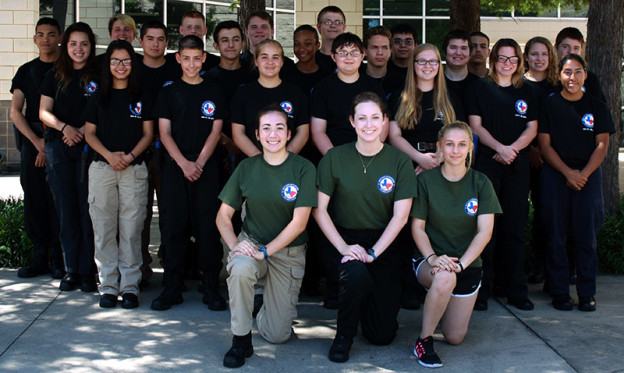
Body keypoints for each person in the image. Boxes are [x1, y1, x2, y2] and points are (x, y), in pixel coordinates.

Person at [314, 92, 417, 363]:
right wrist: (345, 247)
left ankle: (364, 304)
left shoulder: (399, 161)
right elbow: (320, 210)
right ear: (352, 121)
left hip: (384, 241)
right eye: (362, 118)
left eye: (375, 117)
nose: (368, 124)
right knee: (355, 272)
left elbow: (401, 217)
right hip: (343, 237)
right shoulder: (334, 158)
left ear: (385, 121)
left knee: (382, 335)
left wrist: (373, 252)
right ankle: (343, 336)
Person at [216, 104, 317, 368]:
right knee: (239, 268)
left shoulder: (304, 168)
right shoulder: (247, 167)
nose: (273, 134)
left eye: (280, 128)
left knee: (277, 335)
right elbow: (222, 217)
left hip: (288, 253)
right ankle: (241, 339)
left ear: (289, 133)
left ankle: (264, 306)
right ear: (257, 135)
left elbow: (299, 223)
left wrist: (265, 252)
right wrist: (237, 246)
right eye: (266, 128)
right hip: (253, 245)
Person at [411, 121, 500, 368]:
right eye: (449, 144)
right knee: (444, 279)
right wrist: (431, 258)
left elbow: (485, 231)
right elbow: (417, 228)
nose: (455, 150)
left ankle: (440, 303)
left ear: (471, 147)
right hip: (430, 262)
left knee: (454, 337)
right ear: (439, 146)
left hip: (466, 264)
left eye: (462, 144)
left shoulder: (481, 183)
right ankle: (423, 340)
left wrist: (461, 264)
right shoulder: (425, 181)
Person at [151, 35, 228, 311]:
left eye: (197, 58)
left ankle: (210, 285)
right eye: (187, 58)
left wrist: (200, 162)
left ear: (204, 58)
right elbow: (164, 133)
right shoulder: (169, 92)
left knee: (207, 226)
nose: (192, 64)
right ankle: (172, 284)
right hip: (175, 167)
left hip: (206, 168)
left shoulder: (215, 90)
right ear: (178, 59)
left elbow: (216, 130)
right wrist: (184, 164)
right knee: (174, 226)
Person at [388, 43, 461, 310]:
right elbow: (394, 136)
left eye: (433, 62)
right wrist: (418, 160)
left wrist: (439, 158)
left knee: (436, 226)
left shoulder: (450, 96)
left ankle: (437, 280)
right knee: (408, 228)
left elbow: (458, 134)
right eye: (422, 62)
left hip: (444, 169)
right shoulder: (400, 96)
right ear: (413, 65)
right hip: (411, 169)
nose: (427, 66)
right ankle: (409, 286)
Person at [538, 54, 614, 312]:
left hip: (588, 176)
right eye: (567, 72)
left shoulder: (597, 106)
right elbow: (545, 146)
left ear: (585, 74)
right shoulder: (549, 105)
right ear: (559, 75)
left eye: (578, 72)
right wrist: (568, 173)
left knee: (586, 237)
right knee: (556, 235)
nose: (573, 78)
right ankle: (560, 292)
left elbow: (602, 146)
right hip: (556, 174)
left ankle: (586, 293)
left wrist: (583, 174)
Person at [467, 38, 538, 311]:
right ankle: (482, 291)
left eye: (513, 59)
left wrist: (512, 151)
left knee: (515, 229)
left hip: (516, 167)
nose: (507, 64)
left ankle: (515, 290)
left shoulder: (527, 91)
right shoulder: (480, 88)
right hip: (487, 165)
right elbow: (475, 126)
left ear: (519, 63)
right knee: (486, 230)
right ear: (493, 59)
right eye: (502, 58)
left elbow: (532, 128)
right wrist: (499, 148)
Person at [83, 40, 153, 309]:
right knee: (103, 227)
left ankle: (130, 286)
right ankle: (109, 286)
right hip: (102, 168)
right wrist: (111, 156)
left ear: (132, 64)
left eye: (126, 61)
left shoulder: (141, 96)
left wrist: (130, 157)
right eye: (115, 61)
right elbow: (89, 133)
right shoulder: (99, 96)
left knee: (132, 228)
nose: (121, 66)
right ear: (107, 64)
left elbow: (148, 134)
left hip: (133, 169)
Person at [39, 22, 99, 292]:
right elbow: (44, 112)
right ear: (66, 46)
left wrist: (83, 131)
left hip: (89, 148)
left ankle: (88, 271)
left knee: (88, 211)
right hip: (59, 147)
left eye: (84, 44)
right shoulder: (54, 75)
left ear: (91, 46)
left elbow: (104, 110)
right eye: (73, 44)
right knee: (67, 211)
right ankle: (71, 270)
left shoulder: (100, 74)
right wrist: (65, 128)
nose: (79, 49)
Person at [10, 17, 63, 280]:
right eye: (41, 35)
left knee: (59, 199)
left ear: (59, 38)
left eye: (51, 34)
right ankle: (39, 254)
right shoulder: (26, 71)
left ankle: (57, 255)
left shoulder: (66, 69)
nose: (46, 39)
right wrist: (37, 143)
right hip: (33, 140)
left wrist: (49, 144)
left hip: (61, 140)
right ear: (34, 39)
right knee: (34, 197)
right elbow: (15, 112)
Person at [136, 20, 180, 287]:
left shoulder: (176, 70)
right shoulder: (131, 70)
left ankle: (171, 263)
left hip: (170, 151)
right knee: (139, 213)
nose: (155, 43)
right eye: (150, 38)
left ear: (167, 43)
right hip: (138, 150)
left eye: (161, 39)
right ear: (141, 41)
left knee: (170, 211)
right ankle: (141, 267)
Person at [231, 39, 309, 158]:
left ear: (282, 62)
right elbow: (238, 133)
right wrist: (261, 161)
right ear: (256, 61)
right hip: (252, 164)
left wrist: (284, 159)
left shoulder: (296, 93)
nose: (270, 62)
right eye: (264, 57)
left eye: (275, 57)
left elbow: (303, 132)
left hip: (287, 166)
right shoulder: (243, 93)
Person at [522, 36, 559, 285]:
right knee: (517, 213)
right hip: (522, 158)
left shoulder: (557, 86)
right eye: (534, 54)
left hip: (551, 161)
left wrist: (544, 152)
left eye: (543, 54)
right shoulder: (519, 84)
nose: (539, 59)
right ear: (526, 57)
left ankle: (542, 265)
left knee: (546, 215)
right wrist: (531, 150)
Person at [554, 27, 605, 102]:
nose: (571, 52)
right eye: (565, 47)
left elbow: (600, 110)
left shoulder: (590, 80)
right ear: (556, 48)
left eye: (576, 48)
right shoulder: (548, 78)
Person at [281, 25, 330, 99]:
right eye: (297, 44)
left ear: (317, 46)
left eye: (307, 44)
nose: (301, 49)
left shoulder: (327, 77)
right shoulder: (285, 76)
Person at [165, 10, 220, 76]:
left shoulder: (216, 63)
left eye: (198, 27)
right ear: (181, 30)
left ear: (205, 31)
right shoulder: (167, 62)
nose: (193, 31)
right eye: (189, 27)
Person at [362, 25, 405, 95]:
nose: (380, 53)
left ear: (390, 51)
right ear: (365, 51)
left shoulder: (401, 82)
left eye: (384, 47)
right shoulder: (356, 79)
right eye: (374, 47)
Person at [442, 29, 479, 106]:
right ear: (444, 52)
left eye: (464, 48)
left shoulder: (479, 86)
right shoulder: (434, 83)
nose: (458, 53)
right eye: (453, 47)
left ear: (470, 53)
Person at [315, 5, 346, 72]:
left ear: (343, 28)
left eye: (337, 22)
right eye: (328, 22)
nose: (333, 26)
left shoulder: (351, 60)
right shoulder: (311, 60)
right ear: (319, 27)